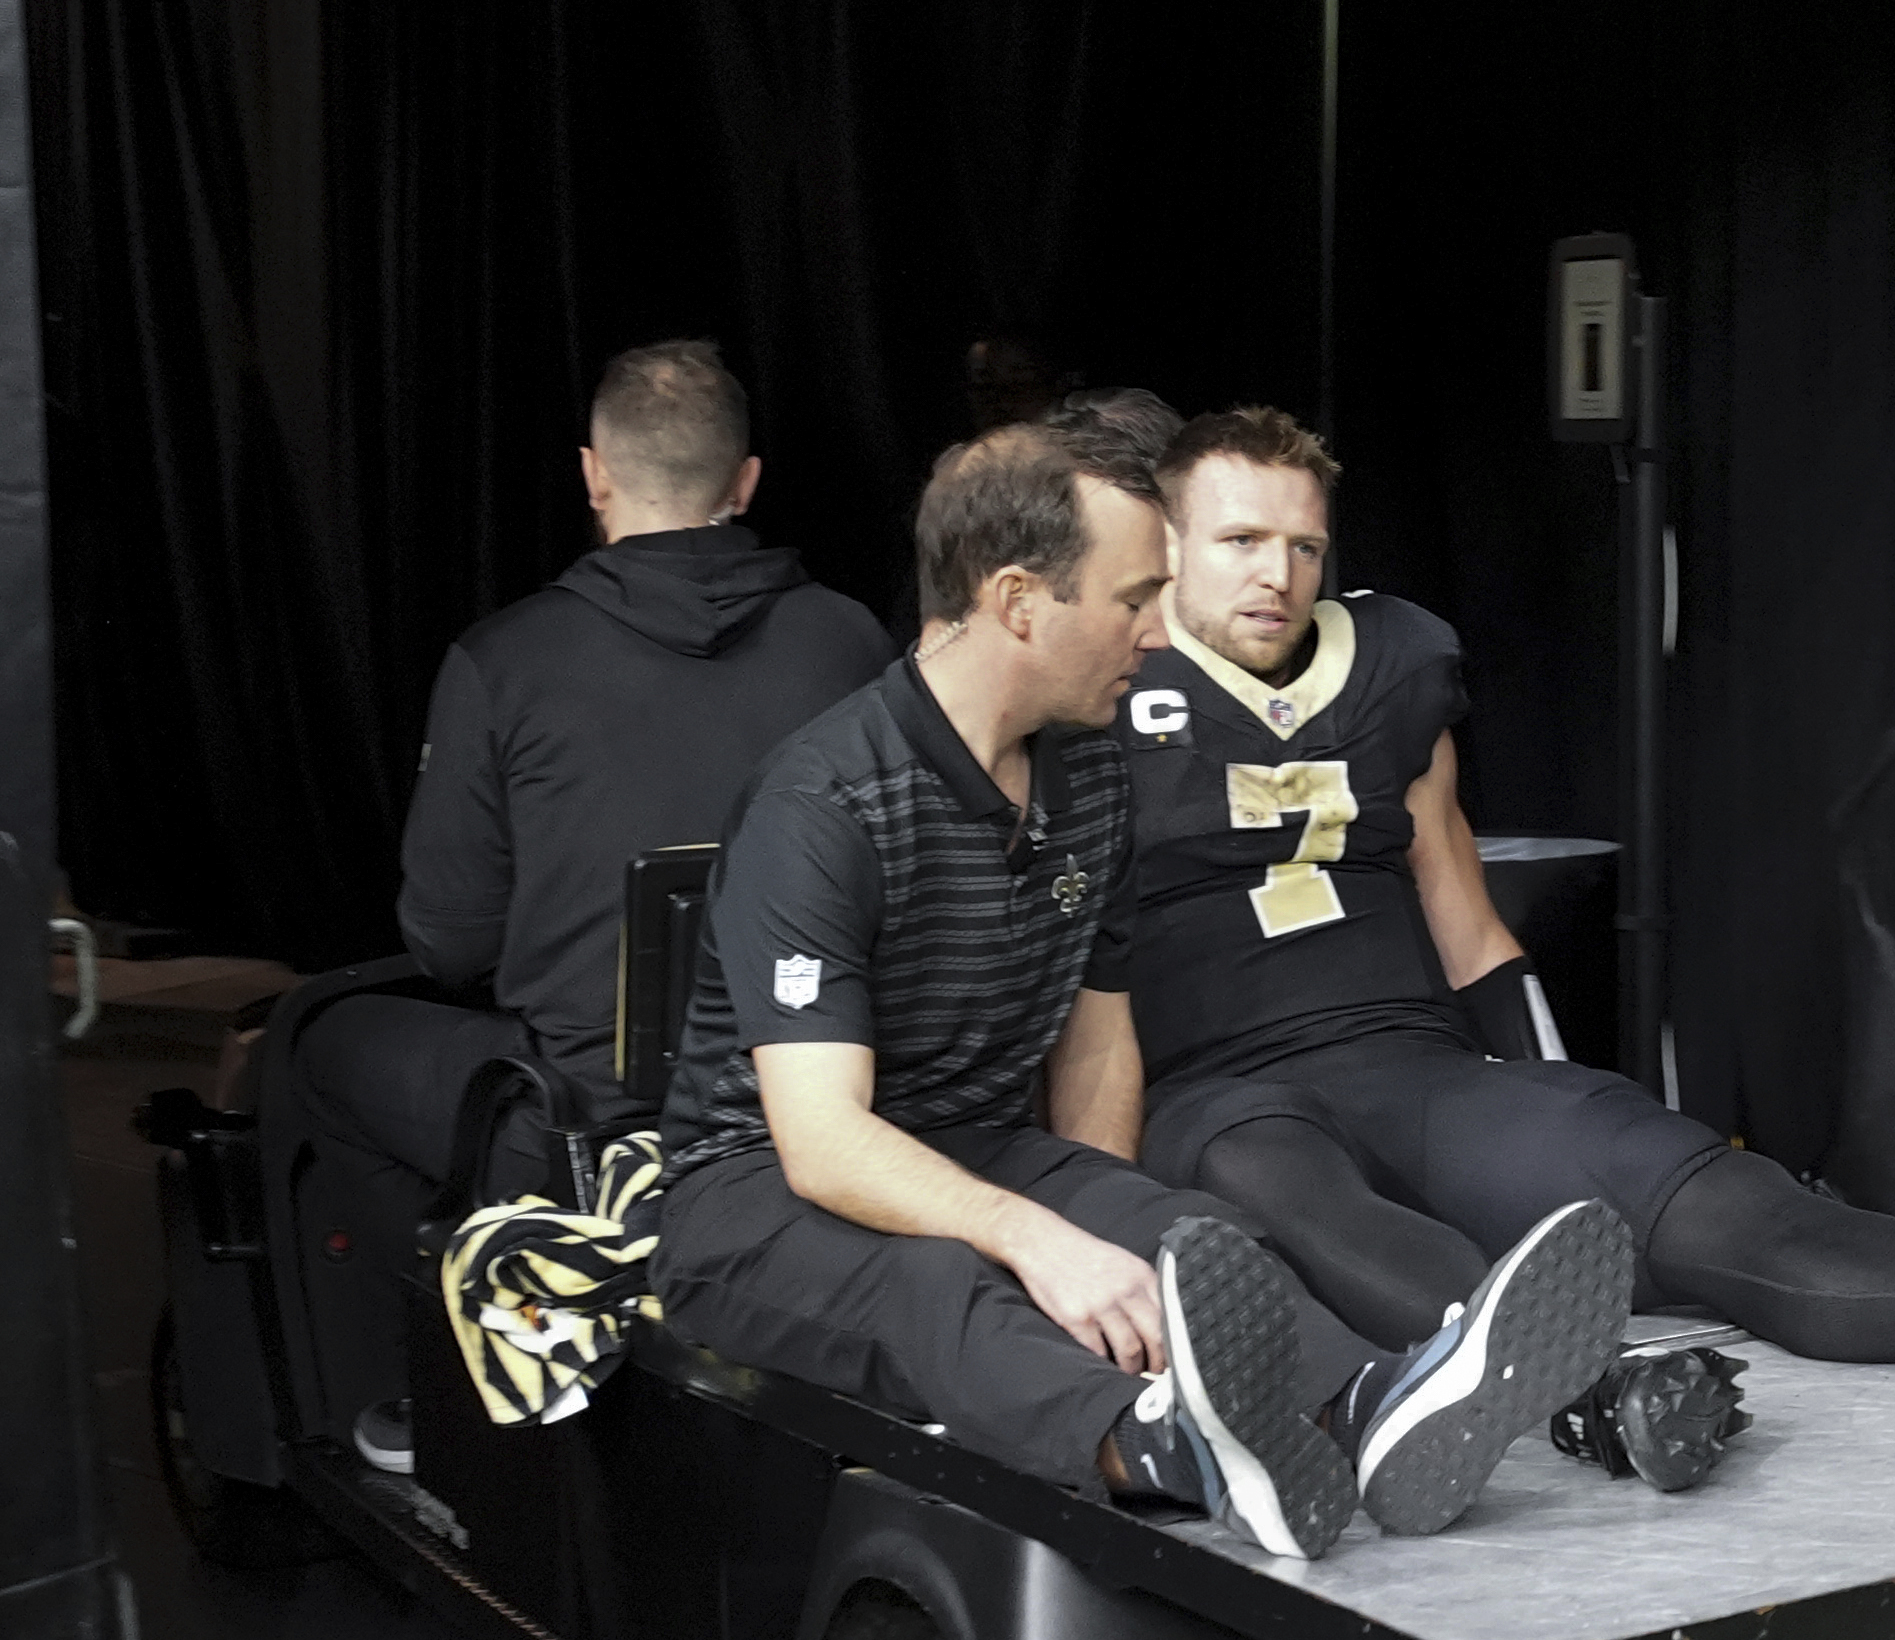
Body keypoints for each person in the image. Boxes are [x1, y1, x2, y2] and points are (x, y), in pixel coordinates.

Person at [1114, 406, 1895, 1485]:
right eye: (1239, 541)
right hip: (1220, 1093)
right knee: (1288, 1186)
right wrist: (1096, 1201)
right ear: (1164, 546)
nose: (1277, 574)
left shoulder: (1389, 663)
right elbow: (1065, 972)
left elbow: (1461, 916)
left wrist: (1548, 1093)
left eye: (1303, 546)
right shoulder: (1099, 682)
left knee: (1695, 1190)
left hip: (1411, 1064)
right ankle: (1600, 1395)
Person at [648, 424, 1632, 1557]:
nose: (1158, 633)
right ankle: (1176, 1448)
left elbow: (1096, 1047)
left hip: (977, 1146)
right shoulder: (823, 803)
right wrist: (1041, 1243)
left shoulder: (1091, 773)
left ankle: (1368, 1412)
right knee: (937, 1284)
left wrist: (1107, 1228)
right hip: (757, 1189)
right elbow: (821, 1142)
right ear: (1019, 602)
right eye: (1132, 600)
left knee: (1189, 1231)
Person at [278, 338, 890, 1468]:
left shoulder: (502, 659)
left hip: (580, 1123)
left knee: (313, 1046)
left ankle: (437, 1382)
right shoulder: (852, 639)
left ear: (593, 475)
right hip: (816, 1103)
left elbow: (447, 942)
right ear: (745, 481)